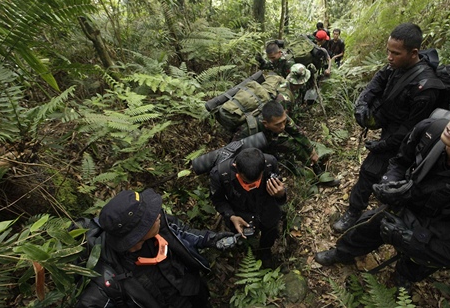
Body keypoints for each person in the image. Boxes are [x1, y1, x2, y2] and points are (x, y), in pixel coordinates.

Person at [315, 88, 450, 291]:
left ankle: (402, 279)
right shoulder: (431, 129)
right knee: (365, 229)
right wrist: (390, 182)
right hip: (405, 205)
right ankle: (342, 253)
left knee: (414, 267)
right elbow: (400, 162)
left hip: (438, 234)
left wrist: (413, 241)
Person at [332, 22, 444, 233]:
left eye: (395, 53)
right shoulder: (396, 65)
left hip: (405, 138)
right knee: (372, 173)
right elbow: (378, 80)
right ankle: (358, 211)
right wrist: (363, 102)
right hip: (391, 127)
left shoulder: (425, 88)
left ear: (414, 53)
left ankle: (358, 215)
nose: (389, 57)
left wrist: (382, 145)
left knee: (372, 172)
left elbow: (410, 129)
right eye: (388, 51)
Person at [75, 188, 235, 308]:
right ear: (137, 233)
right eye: (149, 218)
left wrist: (212, 240)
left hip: (192, 293)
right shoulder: (108, 279)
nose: (157, 215)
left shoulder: (160, 225)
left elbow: (182, 232)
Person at [209, 147, 287, 268]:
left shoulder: (270, 163)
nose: (251, 186)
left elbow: (280, 188)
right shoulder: (220, 174)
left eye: (256, 181)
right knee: (242, 239)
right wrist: (231, 216)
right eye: (246, 181)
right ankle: (243, 253)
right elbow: (218, 200)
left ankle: (265, 252)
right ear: (235, 167)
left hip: (267, 210)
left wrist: (280, 194)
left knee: (270, 232)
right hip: (240, 213)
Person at [233, 100, 323, 176]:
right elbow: (233, 152)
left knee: (293, 145)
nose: (283, 126)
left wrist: (311, 151)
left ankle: (314, 170)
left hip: (270, 141)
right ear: (265, 124)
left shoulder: (281, 118)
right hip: (253, 150)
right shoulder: (247, 130)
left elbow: (297, 133)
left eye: (284, 122)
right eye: (278, 124)